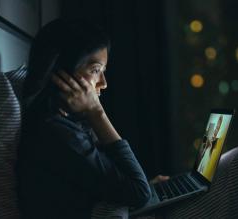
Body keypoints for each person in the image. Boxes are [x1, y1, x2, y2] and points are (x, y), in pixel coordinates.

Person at [17, 18, 167, 219]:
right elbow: (139, 193)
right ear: (64, 71)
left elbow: (112, 183)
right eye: (96, 71)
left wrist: (141, 186)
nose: (103, 83)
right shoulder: (56, 133)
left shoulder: (65, 122)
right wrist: (97, 112)